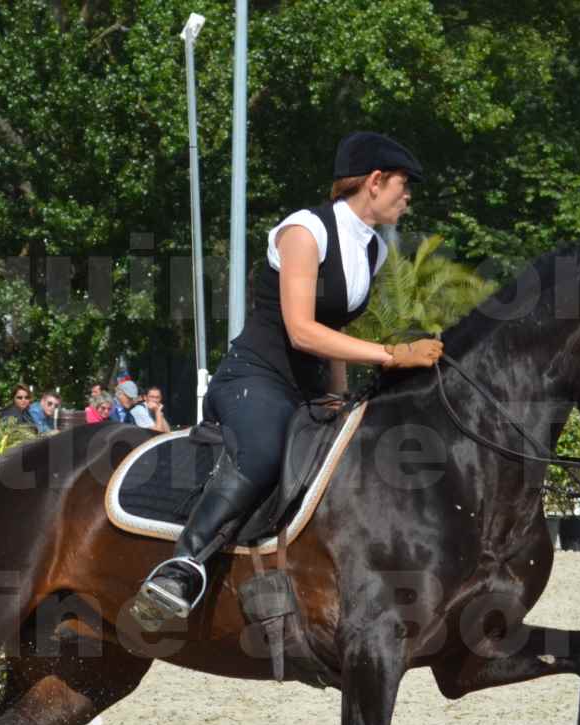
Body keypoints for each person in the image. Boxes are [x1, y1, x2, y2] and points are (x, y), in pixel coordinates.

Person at [128, 131, 443, 629]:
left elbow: (334, 331)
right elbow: (302, 330)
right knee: (266, 450)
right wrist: (391, 354)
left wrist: (339, 398)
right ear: (376, 181)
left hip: (309, 389)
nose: (410, 197)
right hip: (255, 378)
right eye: (405, 185)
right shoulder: (304, 230)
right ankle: (180, 567)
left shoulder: (374, 252)